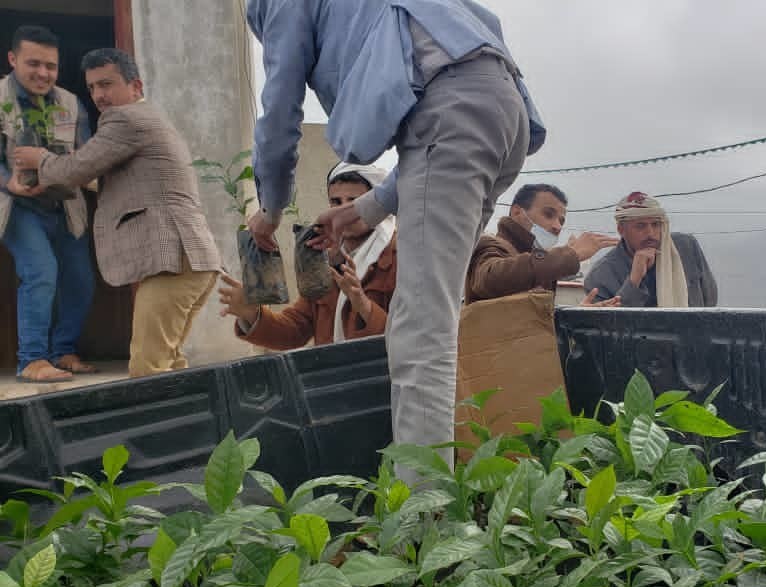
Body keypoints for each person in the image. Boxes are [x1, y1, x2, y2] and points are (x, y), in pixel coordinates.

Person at [244, 0, 545, 473]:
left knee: (420, 331)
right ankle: (449, 484)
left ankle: (423, 521)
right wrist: (365, 209)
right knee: (435, 318)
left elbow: (280, 107)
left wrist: (270, 208)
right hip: (503, 108)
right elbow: (445, 114)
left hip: (452, 106)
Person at [15, 48, 221, 377]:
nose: (99, 95)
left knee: (146, 371)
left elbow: (77, 168)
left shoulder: (124, 119)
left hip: (174, 263)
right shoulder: (150, 118)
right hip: (192, 262)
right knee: (171, 368)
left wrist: (39, 159)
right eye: (93, 87)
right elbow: (107, 178)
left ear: (136, 86)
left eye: (107, 84)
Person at [1, 25, 95, 382]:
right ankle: (32, 359)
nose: (43, 73)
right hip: (17, 206)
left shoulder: (72, 103)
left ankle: (64, 351)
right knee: (41, 272)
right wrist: (8, 180)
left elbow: (86, 156)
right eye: (33, 64)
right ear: (13, 59)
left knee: (81, 280)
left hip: (65, 206)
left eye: (50, 66)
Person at [220, 162, 397, 348]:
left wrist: (363, 305)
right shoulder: (324, 259)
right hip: (332, 375)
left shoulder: (400, 258)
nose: (342, 210)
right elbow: (295, 330)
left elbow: (412, 338)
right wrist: (251, 314)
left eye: (353, 202)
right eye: (336, 202)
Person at [465, 183, 619, 305]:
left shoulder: (539, 261)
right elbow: (489, 280)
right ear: (517, 212)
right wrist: (570, 255)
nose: (557, 226)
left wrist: (576, 315)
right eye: (548, 214)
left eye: (561, 221)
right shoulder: (489, 244)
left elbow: (530, 321)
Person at [584, 191, 718, 308]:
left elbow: (709, 299)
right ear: (621, 230)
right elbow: (612, 326)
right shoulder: (600, 276)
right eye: (640, 226)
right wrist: (634, 280)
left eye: (655, 224)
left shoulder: (686, 247)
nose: (651, 233)